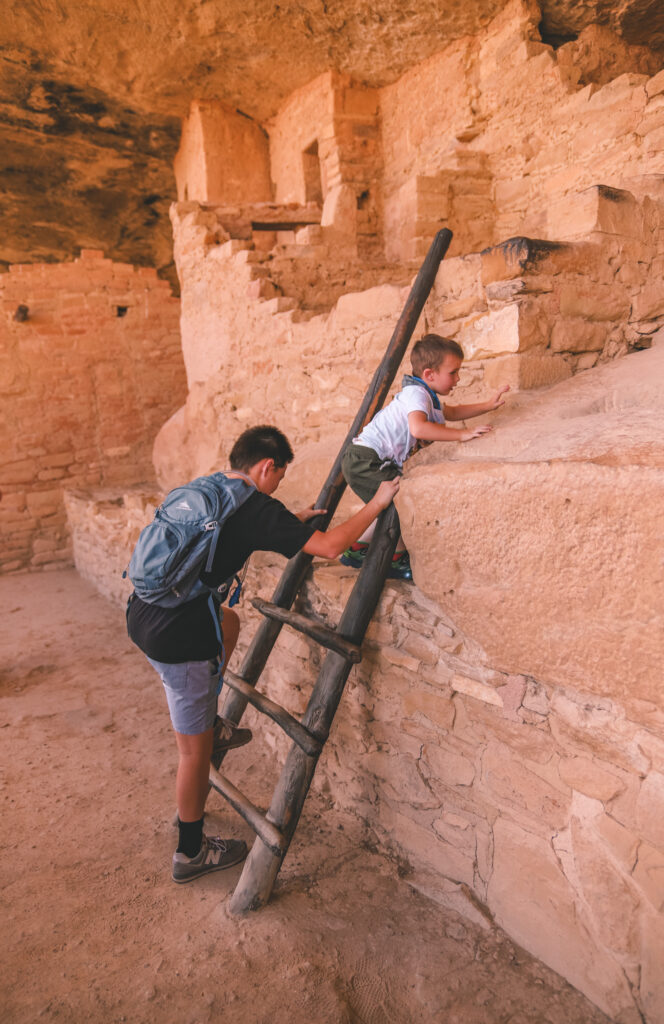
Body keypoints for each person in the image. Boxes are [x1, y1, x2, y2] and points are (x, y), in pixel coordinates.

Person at [126, 424, 399, 884]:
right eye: (279, 478)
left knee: (228, 623)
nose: (277, 487)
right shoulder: (256, 507)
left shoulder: (212, 487)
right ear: (266, 467)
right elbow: (332, 547)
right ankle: (190, 853)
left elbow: (232, 532)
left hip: (143, 611)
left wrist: (290, 520)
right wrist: (377, 502)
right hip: (179, 632)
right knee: (193, 753)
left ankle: (209, 726)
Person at [340, 334, 509, 579]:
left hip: (367, 459)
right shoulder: (416, 395)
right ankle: (393, 558)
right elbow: (418, 428)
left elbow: (450, 412)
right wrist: (462, 435)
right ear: (429, 375)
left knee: (396, 502)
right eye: (453, 372)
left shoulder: (425, 396)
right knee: (399, 504)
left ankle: (358, 548)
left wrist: (486, 406)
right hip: (366, 460)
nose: (458, 378)